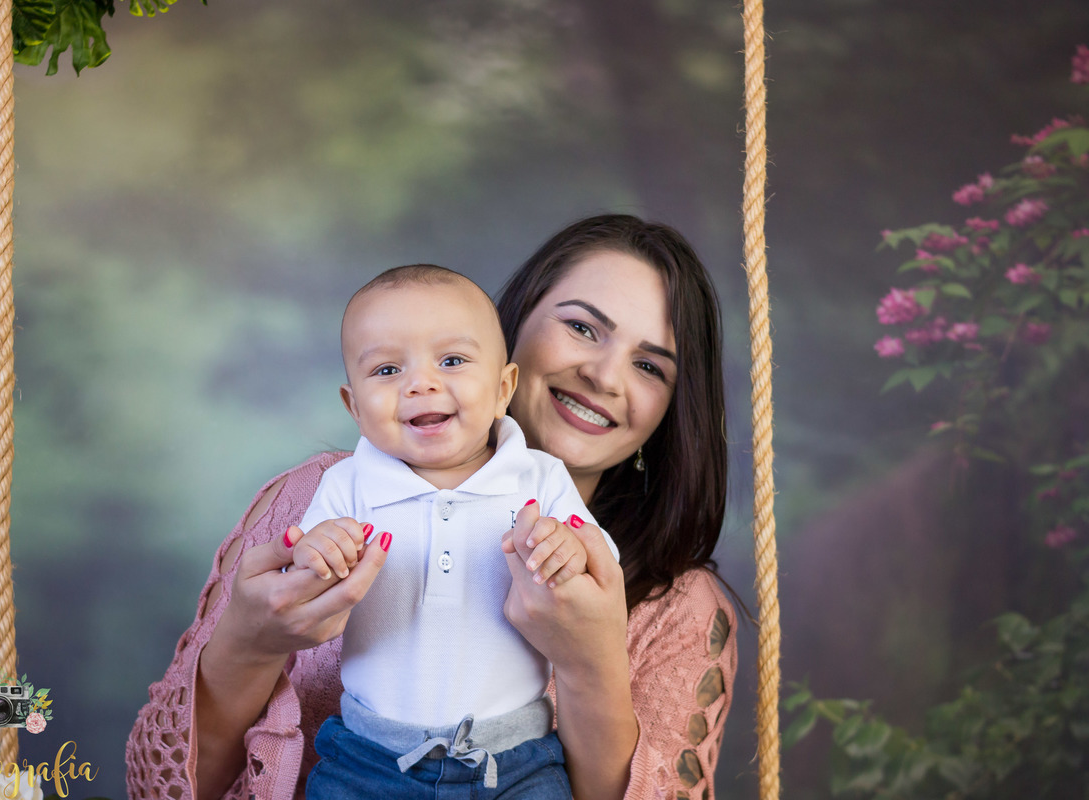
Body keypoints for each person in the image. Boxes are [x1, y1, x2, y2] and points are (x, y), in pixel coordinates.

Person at [126, 214, 738, 800]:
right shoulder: (322, 497)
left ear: (669, 411)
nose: (605, 376)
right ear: (509, 338)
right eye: (582, 327)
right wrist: (250, 645)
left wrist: (590, 666)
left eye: (649, 366)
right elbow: (158, 790)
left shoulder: (681, 613)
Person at [291, 264, 615, 798]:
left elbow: (602, 566)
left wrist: (569, 549)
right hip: (368, 760)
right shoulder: (348, 484)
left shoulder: (538, 476)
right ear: (354, 406)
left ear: (502, 389)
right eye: (387, 371)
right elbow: (304, 577)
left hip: (513, 762)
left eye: (453, 361)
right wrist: (316, 552)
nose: (422, 382)